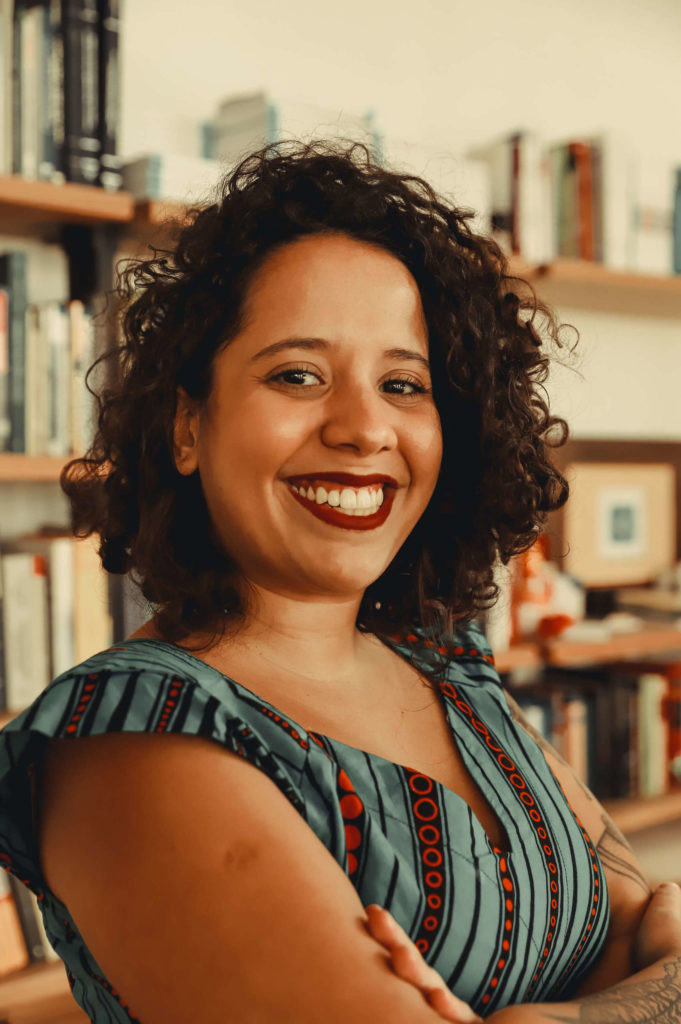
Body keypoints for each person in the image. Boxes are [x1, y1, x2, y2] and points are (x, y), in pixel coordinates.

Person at [0, 139, 679, 1024]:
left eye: (404, 383)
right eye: (297, 374)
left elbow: (647, 918)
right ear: (187, 427)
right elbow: (651, 941)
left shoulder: (450, 668)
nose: (364, 428)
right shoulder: (130, 738)